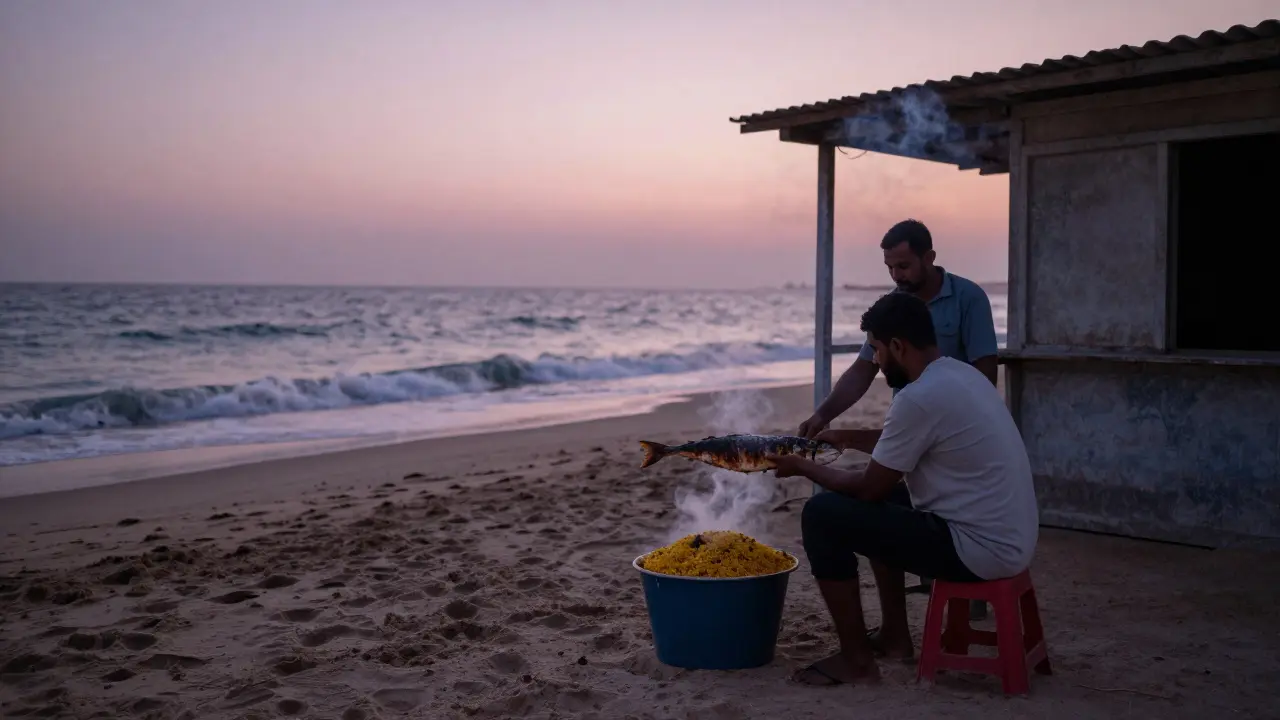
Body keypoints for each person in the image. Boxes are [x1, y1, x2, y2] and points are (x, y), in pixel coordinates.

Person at [767, 291, 1038, 687]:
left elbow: (868, 488)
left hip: (980, 550)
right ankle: (894, 636)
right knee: (892, 500)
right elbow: (911, 438)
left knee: (823, 514)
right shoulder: (957, 375)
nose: (875, 362)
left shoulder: (918, 398)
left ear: (897, 346)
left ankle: (858, 661)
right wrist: (847, 437)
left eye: (876, 350)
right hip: (1010, 537)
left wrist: (800, 467)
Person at [798, 218, 1001, 613]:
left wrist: (802, 465)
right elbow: (862, 369)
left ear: (930, 258)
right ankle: (895, 627)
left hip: (954, 443)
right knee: (879, 505)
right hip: (911, 428)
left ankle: (962, 598)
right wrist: (824, 415)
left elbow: (986, 375)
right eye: (889, 267)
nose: (896, 275)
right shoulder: (893, 309)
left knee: (862, 500)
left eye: (904, 266)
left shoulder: (969, 299)